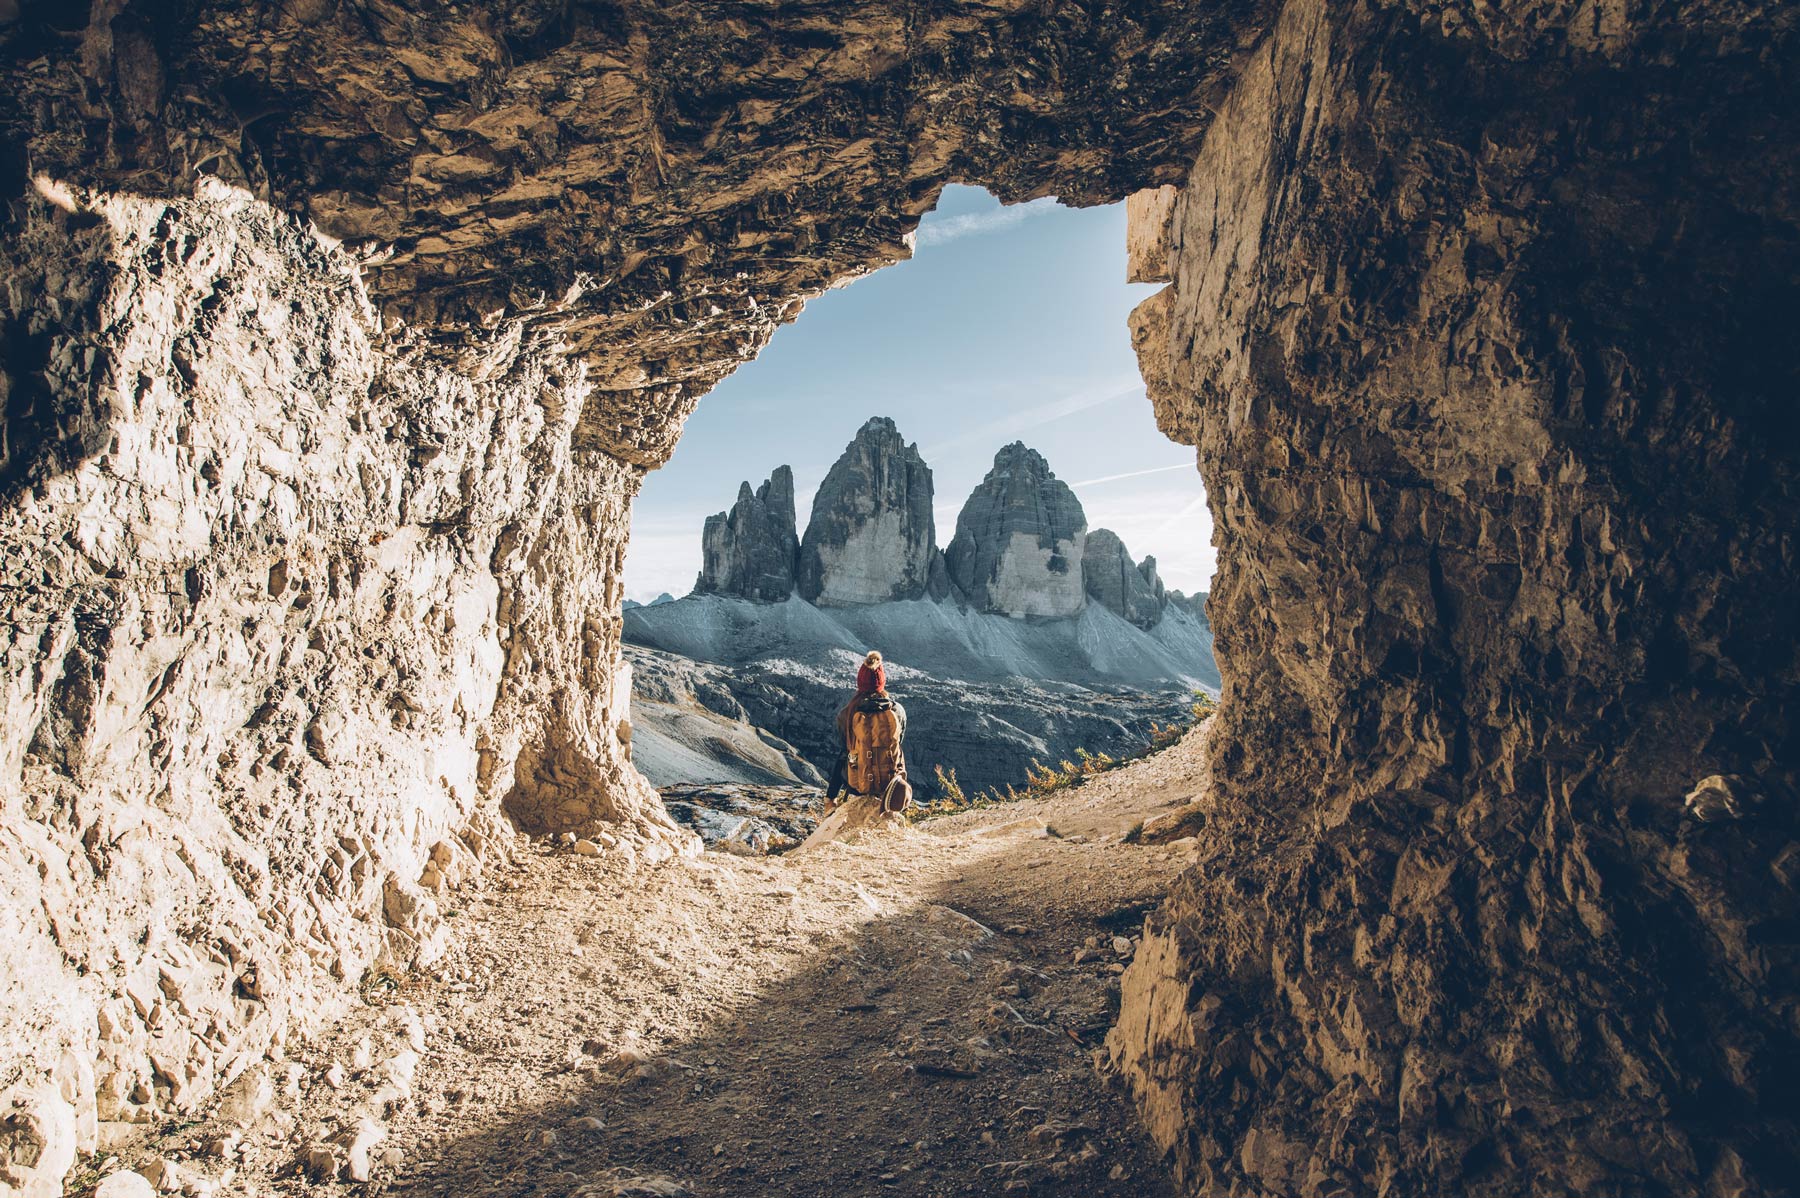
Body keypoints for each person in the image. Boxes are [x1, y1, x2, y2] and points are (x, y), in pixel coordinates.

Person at [826, 650, 906, 802]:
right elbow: (898, 744)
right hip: (890, 787)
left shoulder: (847, 714)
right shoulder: (897, 711)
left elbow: (844, 754)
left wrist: (831, 796)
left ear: (860, 683)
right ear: (882, 682)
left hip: (857, 787)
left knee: (848, 755)